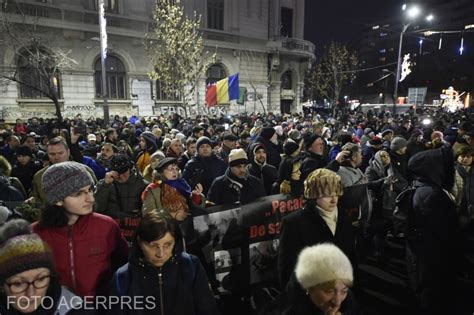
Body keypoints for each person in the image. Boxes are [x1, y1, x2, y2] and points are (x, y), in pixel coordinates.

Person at [32, 161, 129, 297]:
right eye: (78, 194)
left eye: (90, 190)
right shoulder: (36, 235)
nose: (90, 199)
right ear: (58, 200)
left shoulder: (107, 227)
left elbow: (124, 266)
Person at [111, 211, 220, 315]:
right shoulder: (123, 277)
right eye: (153, 245)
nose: (161, 254)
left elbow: (208, 309)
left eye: (167, 245)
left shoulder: (190, 266)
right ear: (140, 241)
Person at [406, 146, 462, 314]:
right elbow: (443, 231)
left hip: (426, 254)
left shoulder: (425, 188)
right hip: (432, 257)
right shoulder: (431, 195)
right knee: (431, 296)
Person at [278, 168, 355, 289]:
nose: (334, 199)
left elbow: (350, 256)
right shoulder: (293, 223)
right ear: (314, 194)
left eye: (336, 193)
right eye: (327, 194)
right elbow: (287, 267)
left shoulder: (344, 217)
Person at [0, 219, 89, 315]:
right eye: (18, 283)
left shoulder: (75, 309)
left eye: (41, 279)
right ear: (2, 286)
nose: (31, 294)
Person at [282, 243, 359, 315]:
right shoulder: (290, 309)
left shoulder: (348, 300)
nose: (337, 302)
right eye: (329, 291)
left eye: (344, 291)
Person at [95, 154, 149, 220]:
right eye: (117, 173)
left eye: (124, 172)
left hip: (134, 226)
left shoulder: (143, 185)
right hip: (112, 225)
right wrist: (105, 185)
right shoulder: (106, 184)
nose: (121, 176)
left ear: (130, 169)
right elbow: (97, 209)